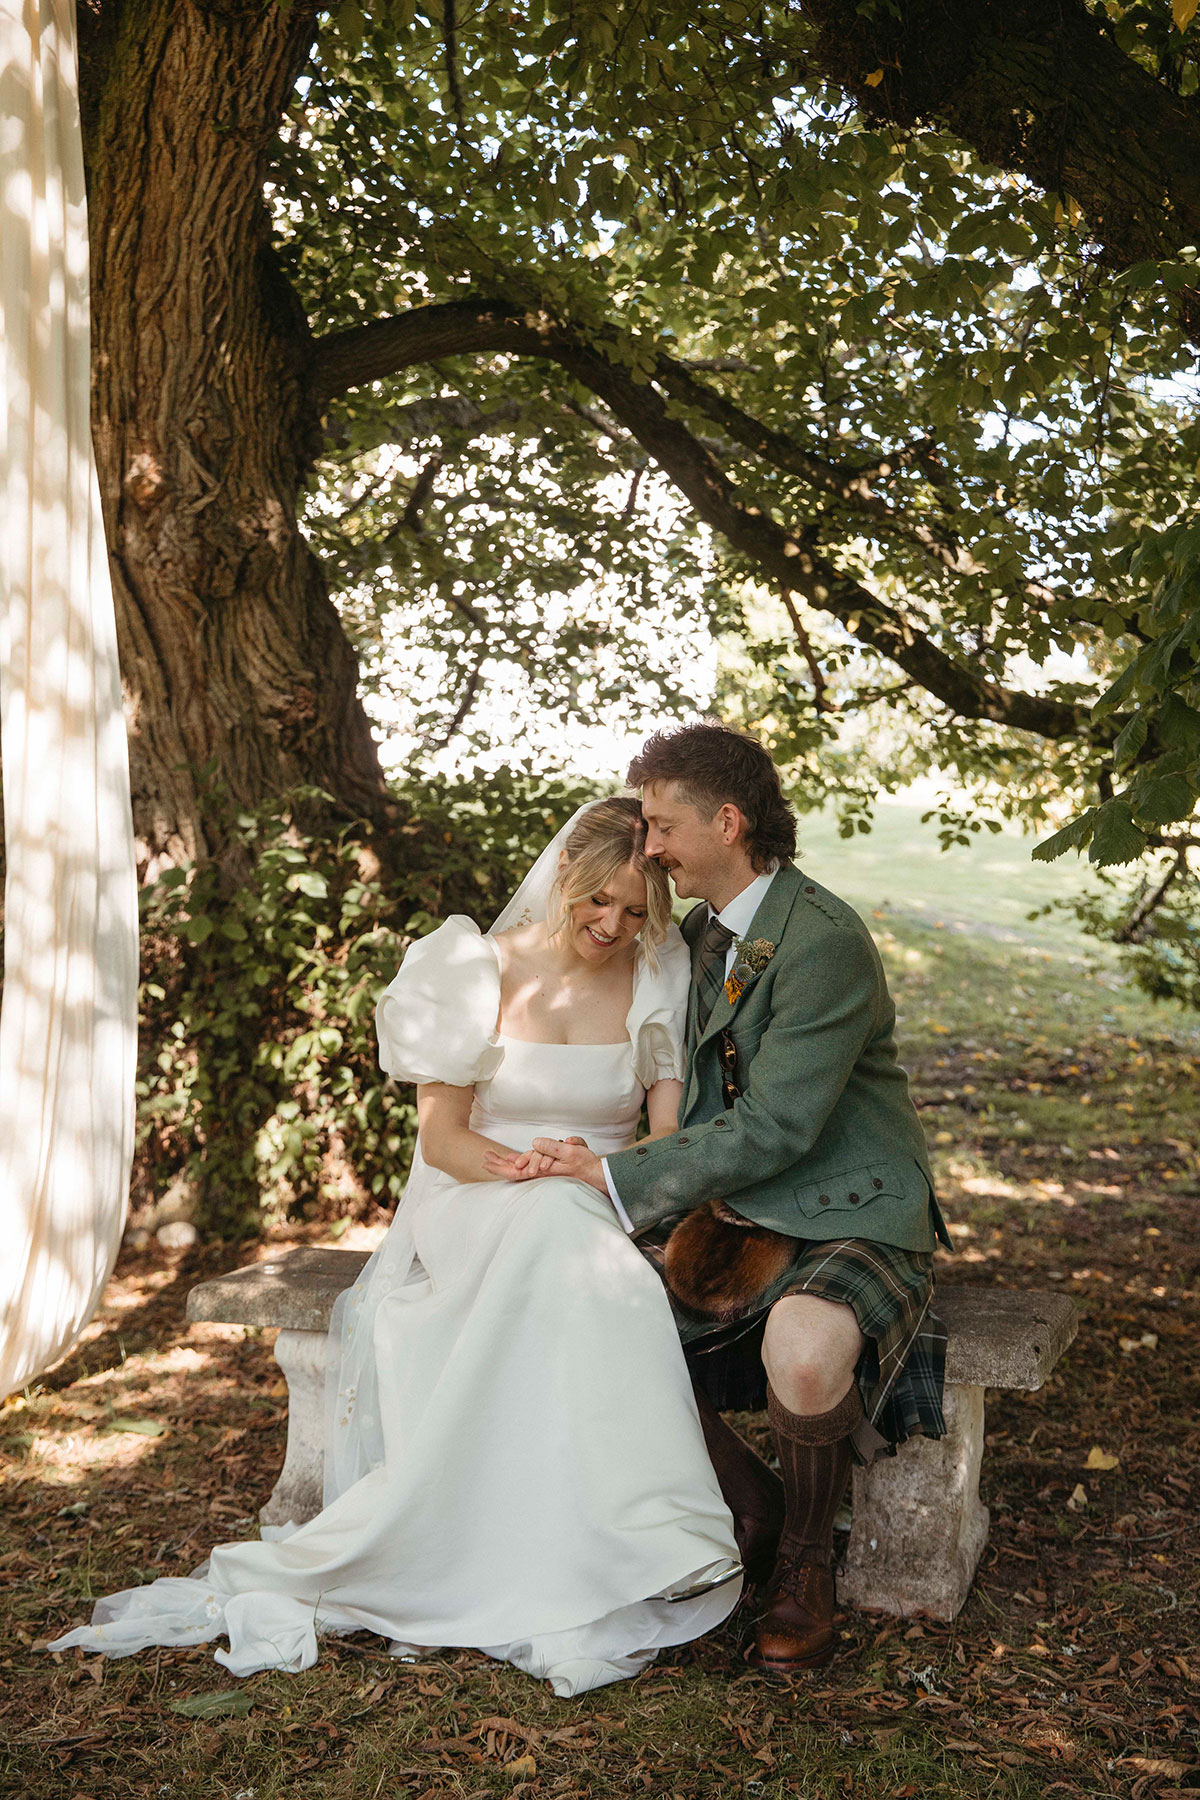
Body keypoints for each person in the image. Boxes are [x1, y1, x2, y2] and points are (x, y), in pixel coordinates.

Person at [47, 797, 742, 1696]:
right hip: (477, 1195)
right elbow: (442, 1141)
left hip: (590, 1198)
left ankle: (632, 1534)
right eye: (597, 902)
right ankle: (653, 1528)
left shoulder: (658, 976)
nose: (613, 926)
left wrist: (589, 1170)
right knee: (560, 1233)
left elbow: (663, 1139)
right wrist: (524, 1169)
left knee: (573, 1238)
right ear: (564, 877)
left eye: (635, 909)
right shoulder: (473, 967)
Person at [511, 724, 951, 1672]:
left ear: (728, 820)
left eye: (664, 824)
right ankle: (750, 1502)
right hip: (739, 1204)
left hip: (846, 1198)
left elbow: (781, 1128)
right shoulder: (705, 933)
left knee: (802, 1351)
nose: (652, 845)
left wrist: (613, 1173)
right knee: (578, 1303)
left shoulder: (823, 941)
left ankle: (803, 1567)